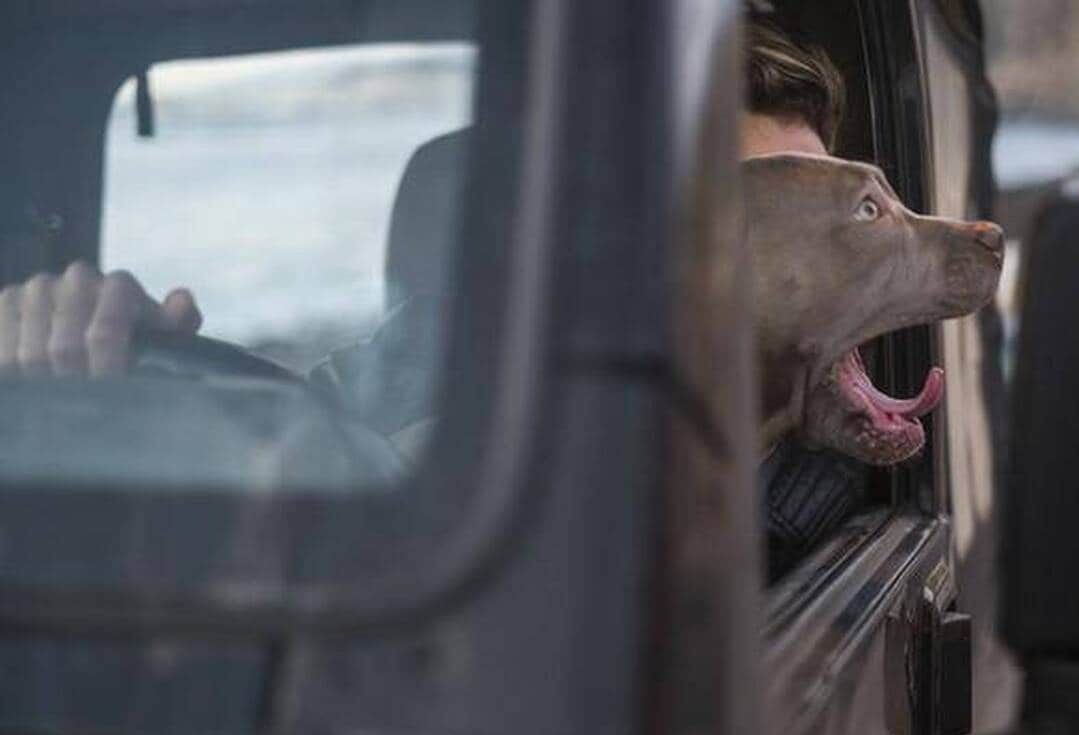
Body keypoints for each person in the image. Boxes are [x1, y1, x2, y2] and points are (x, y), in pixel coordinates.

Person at [0, 13, 864, 578]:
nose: (824, 268)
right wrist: (126, 397)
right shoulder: (434, 360)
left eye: (840, 224)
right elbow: (315, 443)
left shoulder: (836, 497)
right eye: (763, 217)